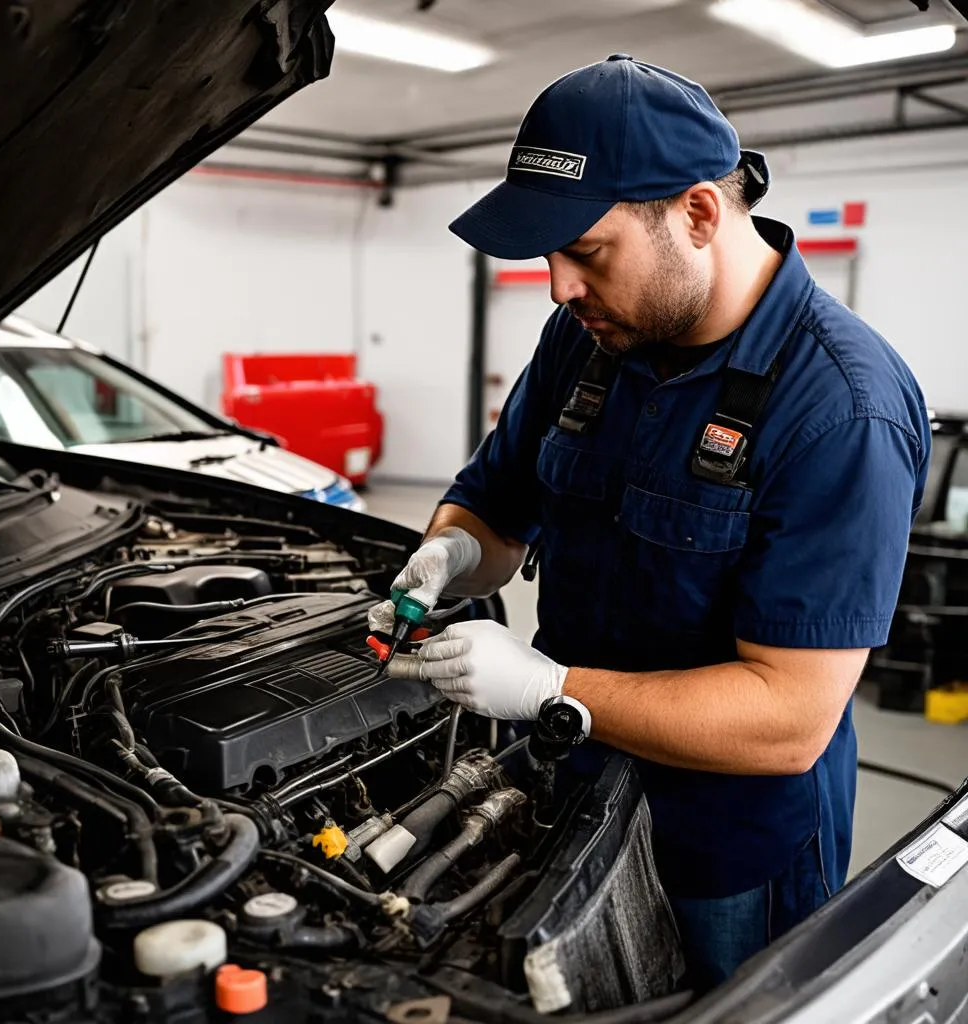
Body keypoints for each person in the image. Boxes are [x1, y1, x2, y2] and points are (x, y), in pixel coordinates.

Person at [369, 55, 930, 990]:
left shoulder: (841, 409)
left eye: (585, 253)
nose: (557, 289)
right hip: (559, 792)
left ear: (699, 215)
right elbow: (496, 502)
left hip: (723, 851)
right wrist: (449, 554)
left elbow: (790, 716)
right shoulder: (591, 336)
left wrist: (550, 684)